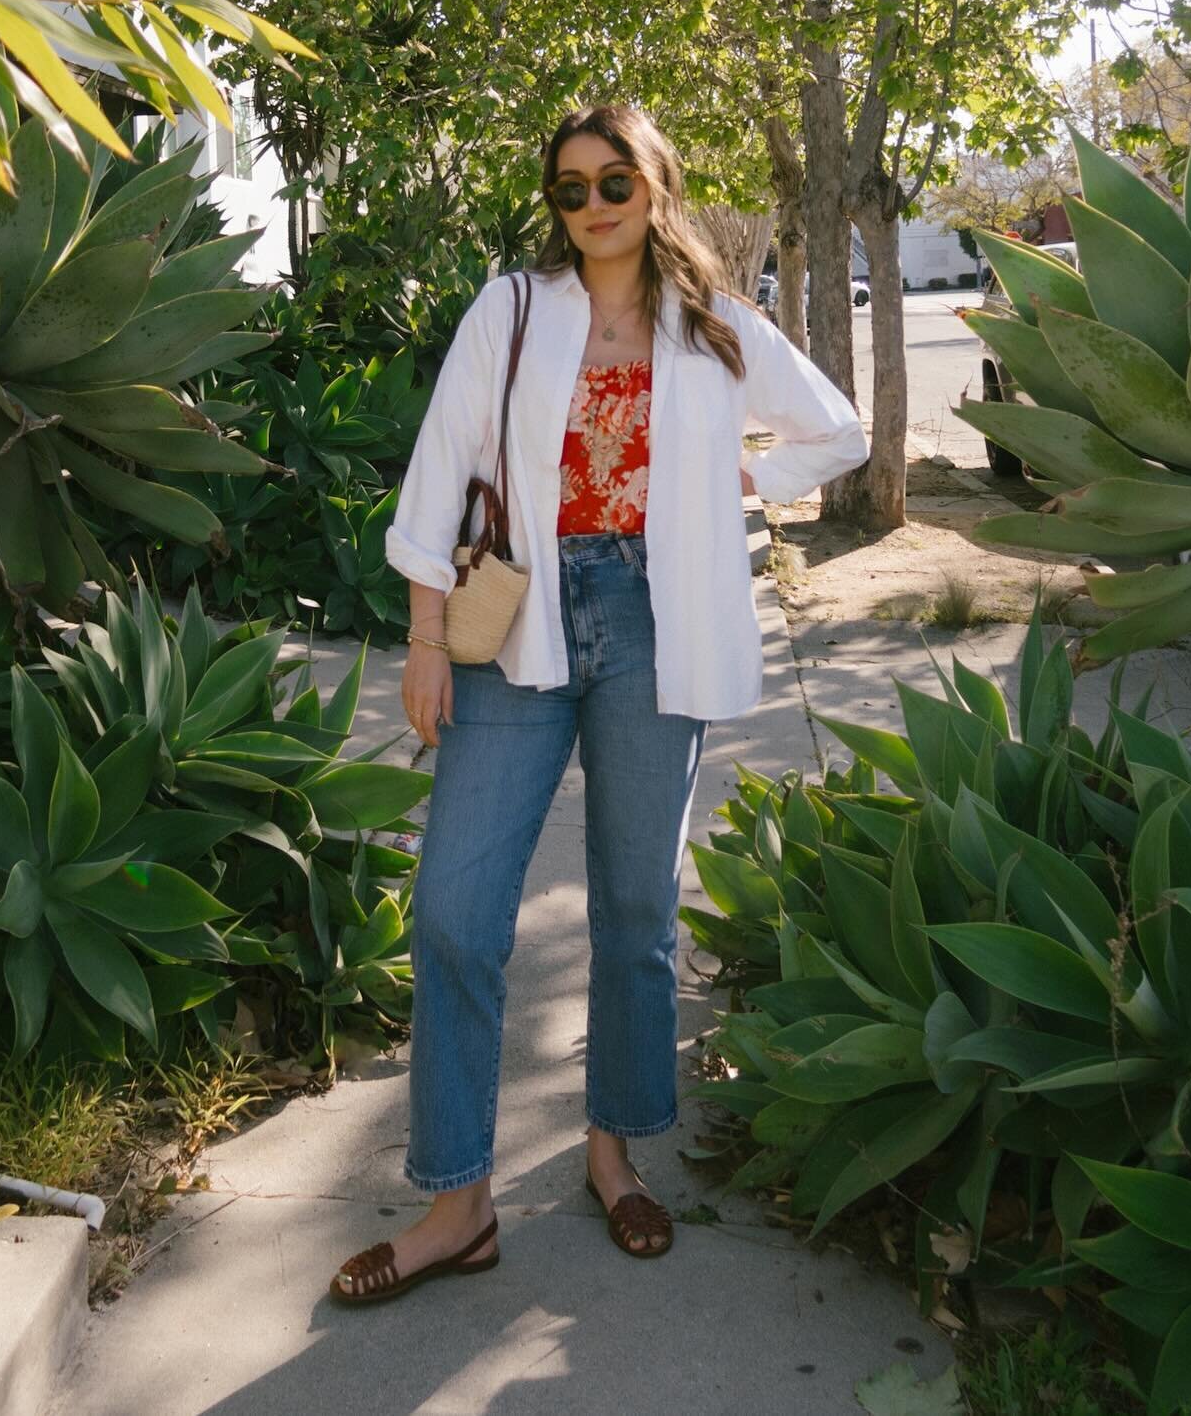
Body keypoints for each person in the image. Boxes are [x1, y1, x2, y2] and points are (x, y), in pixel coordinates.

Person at [329, 105, 868, 1305]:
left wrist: (748, 471)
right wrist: (425, 640)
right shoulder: (512, 310)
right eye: (570, 190)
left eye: (614, 180)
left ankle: (613, 1153)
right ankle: (457, 1201)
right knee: (458, 913)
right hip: (516, 619)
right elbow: (437, 474)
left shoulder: (717, 328)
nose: (594, 206)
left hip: (652, 627)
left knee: (635, 915)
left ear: (656, 185)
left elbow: (836, 430)